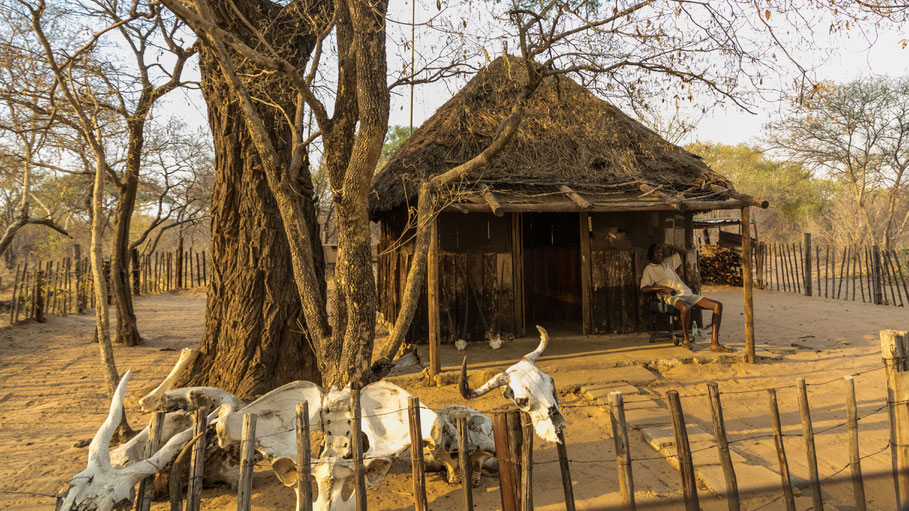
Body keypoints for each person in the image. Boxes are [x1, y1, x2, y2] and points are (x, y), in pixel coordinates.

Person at [640, 243, 731, 352]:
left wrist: (670, 246)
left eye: (661, 252)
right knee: (685, 308)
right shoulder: (649, 269)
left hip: (686, 293)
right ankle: (685, 338)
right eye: (656, 252)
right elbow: (644, 288)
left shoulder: (667, 263)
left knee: (717, 305)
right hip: (670, 296)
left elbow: (683, 253)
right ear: (651, 255)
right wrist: (664, 287)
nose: (660, 254)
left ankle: (715, 344)